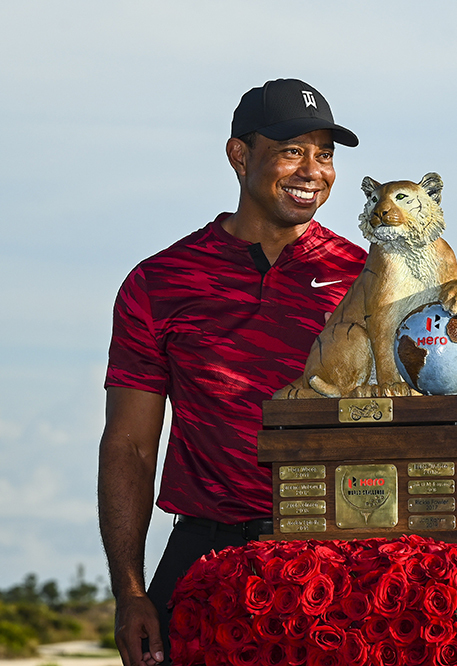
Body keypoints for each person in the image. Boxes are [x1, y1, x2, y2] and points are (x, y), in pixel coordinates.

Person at [97, 79, 368, 666]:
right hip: (205, 552)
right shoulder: (159, 282)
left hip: (338, 551)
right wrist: (130, 592)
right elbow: (129, 446)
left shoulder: (365, 279)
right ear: (239, 155)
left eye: (325, 155)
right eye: (292, 151)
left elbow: (412, 403)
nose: (313, 171)